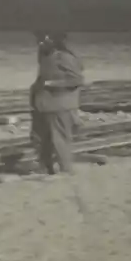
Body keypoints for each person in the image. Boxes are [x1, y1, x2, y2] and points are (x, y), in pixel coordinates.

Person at [29, 32, 85, 175]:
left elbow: (77, 80)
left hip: (60, 105)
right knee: (42, 140)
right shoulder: (45, 57)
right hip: (44, 105)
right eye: (39, 41)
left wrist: (49, 84)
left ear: (53, 41)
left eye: (44, 41)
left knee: (60, 140)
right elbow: (42, 78)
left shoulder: (64, 57)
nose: (40, 44)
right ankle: (45, 169)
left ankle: (66, 170)